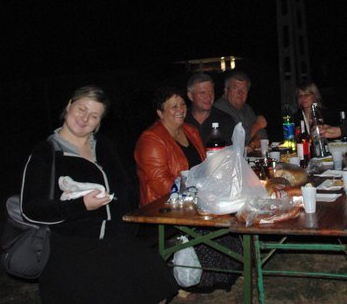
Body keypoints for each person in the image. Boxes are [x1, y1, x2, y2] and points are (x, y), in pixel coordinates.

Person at [20, 85, 178, 303]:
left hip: (117, 237)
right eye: (81, 109)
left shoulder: (103, 145)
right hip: (71, 244)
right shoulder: (46, 153)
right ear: (69, 106)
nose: (85, 119)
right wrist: (81, 205)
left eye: (94, 115)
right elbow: (30, 210)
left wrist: (126, 223)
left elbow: (124, 187)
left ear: (99, 122)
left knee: (157, 283)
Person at [134, 86, 206, 206]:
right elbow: (160, 183)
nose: (181, 109)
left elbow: (204, 167)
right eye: (174, 107)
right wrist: (194, 194)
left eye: (183, 104)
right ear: (160, 113)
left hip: (194, 201)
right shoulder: (150, 140)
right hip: (164, 208)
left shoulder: (191, 131)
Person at [214, 71, 267, 151]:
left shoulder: (247, 109)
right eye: (235, 88)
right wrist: (257, 125)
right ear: (226, 90)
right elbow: (238, 140)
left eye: (244, 89)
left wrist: (252, 145)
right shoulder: (219, 109)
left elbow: (262, 135)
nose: (240, 92)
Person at [185, 73, 236, 145]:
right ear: (190, 96)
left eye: (211, 92)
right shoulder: (182, 120)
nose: (208, 97)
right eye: (203, 93)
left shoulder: (226, 121)